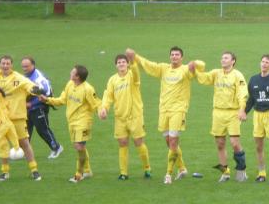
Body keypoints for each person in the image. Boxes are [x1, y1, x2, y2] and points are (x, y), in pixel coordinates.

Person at [128, 46, 205, 185]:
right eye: (172, 54)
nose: (174, 57)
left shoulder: (186, 70)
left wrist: (195, 64)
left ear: (182, 57)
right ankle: (182, 168)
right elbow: (149, 65)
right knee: (169, 142)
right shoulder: (164, 69)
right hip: (164, 109)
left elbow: (202, 66)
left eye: (177, 55)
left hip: (178, 110)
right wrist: (135, 57)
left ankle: (168, 174)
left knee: (174, 141)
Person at [191, 51, 249, 183]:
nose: (223, 60)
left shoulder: (237, 75)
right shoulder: (216, 73)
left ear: (233, 61)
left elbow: (242, 93)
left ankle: (241, 170)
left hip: (232, 112)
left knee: (234, 143)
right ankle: (225, 173)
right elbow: (204, 78)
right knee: (220, 144)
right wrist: (194, 70)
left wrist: (242, 109)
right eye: (222, 58)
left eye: (226, 58)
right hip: (218, 112)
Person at [0, 55, 43, 181]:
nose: (5, 66)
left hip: (17, 117)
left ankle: (34, 170)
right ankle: (5, 172)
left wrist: (35, 89)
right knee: (2, 144)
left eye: (7, 64)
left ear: (11, 65)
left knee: (24, 143)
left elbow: (29, 86)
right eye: (3, 63)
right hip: (1, 119)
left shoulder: (18, 78)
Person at [42, 65, 102, 183]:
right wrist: (47, 100)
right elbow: (62, 100)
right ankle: (87, 170)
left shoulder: (88, 89)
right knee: (80, 147)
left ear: (77, 76)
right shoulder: (70, 84)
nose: (70, 72)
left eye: (73, 72)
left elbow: (96, 103)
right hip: (72, 121)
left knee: (79, 146)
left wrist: (101, 111)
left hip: (83, 121)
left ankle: (78, 174)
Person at [99, 53, 151, 180]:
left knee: (139, 142)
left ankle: (147, 168)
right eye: (119, 62)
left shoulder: (132, 75)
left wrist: (133, 61)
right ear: (116, 65)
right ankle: (123, 173)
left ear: (127, 64)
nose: (121, 64)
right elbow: (108, 96)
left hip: (135, 116)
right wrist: (104, 108)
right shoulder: (112, 80)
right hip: (120, 117)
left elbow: (136, 72)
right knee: (122, 143)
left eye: (123, 62)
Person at [245, 54, 269, 184]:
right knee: (258, 146)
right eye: (262, 61)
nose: (264, 64)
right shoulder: (253, 80)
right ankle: (261, 173)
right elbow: (251, 99)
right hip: (257, 115)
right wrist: (244, 112)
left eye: (267, 62)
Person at [21, 56, 63, 159]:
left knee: (42, 129)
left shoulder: (38, 78)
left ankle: (56, 148)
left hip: (39, 107)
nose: (24, 68)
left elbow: (47, 93)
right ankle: (23, 151)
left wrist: (32, 104)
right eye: (23, 66)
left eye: (27, 66)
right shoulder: (25, 76)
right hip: (27, 108)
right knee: (26, 129)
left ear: (33, 65)